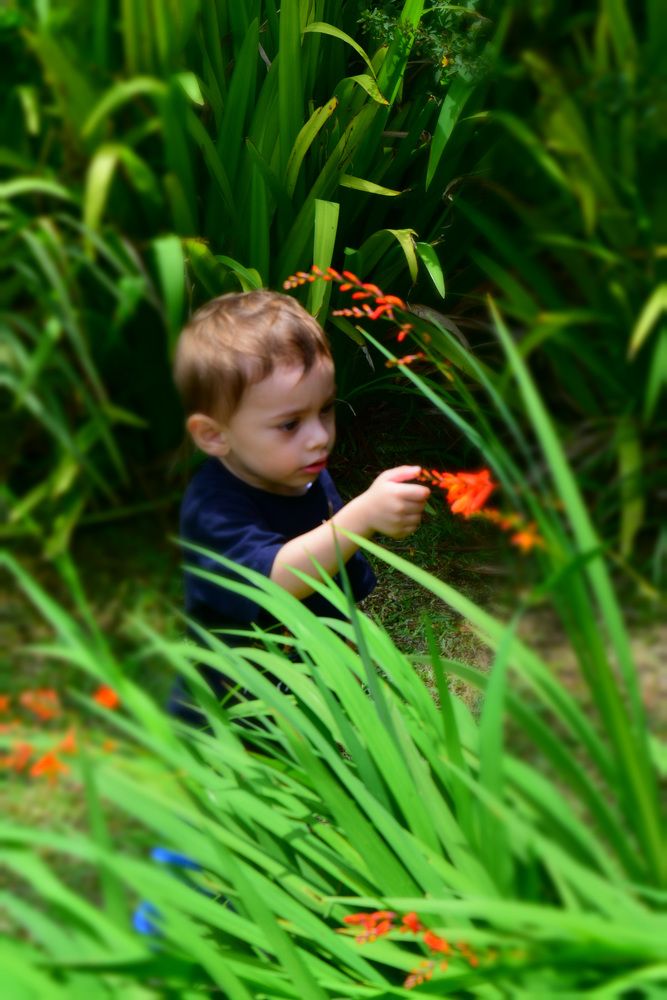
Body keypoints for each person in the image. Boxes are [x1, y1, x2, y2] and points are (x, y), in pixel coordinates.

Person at [172, 289, 430, 717]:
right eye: (290, 424)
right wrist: (360, 517)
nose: (319, 437)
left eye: (325, 410)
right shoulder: (211, 509)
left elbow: (332, 570)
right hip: (242, 703)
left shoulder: (302, 474)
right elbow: (273, 582)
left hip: (313, 676)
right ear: (214, 435)